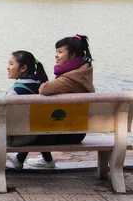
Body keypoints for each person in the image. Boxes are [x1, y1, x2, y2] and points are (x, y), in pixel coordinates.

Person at [7, 35, 94, 170]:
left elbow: (44, 88)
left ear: (72, 55)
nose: (56, 56)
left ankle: (21, 158)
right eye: (56, 52)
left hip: (69, 133)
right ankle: (43, 160)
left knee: (36, 126)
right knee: (44, 120)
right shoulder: (81, 74)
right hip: (77, 128)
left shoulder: (70, 78)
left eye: (60, 52)